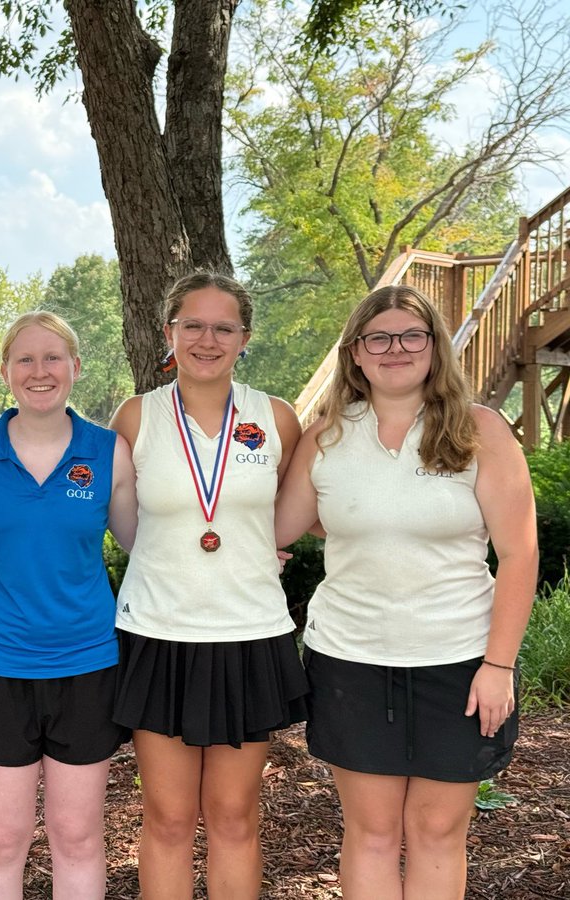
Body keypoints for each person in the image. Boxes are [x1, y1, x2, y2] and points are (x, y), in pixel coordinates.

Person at [274, 284, 537, 899]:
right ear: (356, 354)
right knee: (369, 832)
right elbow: (277, 529)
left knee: (439, 829)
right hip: (351, 660)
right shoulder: (328, 436)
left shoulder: (480, 431)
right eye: (379, 338)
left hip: (462, 661)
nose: (396, 349)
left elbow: (520, 553)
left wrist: (498, 664)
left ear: (434, 348)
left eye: (411, 336)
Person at [109, 271, 308, 899]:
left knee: (234, 817)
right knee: (166, 819)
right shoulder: (137, 417)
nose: (206, 339)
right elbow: (123, 526)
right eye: (192, 324)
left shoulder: (274, 416)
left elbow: (298, 511)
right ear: (169, 332)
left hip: (249, 635)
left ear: (244, 337)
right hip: (158, 633)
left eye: (224, 327)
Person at [0, 310, 138, 899]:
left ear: (75, 368)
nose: (40, 370)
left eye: (53, 357)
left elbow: (147, 548)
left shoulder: (109, 452)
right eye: (25, 359)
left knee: (76, 836)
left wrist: (249, 546)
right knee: (1, 839)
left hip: (86, 666)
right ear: (5, 372)